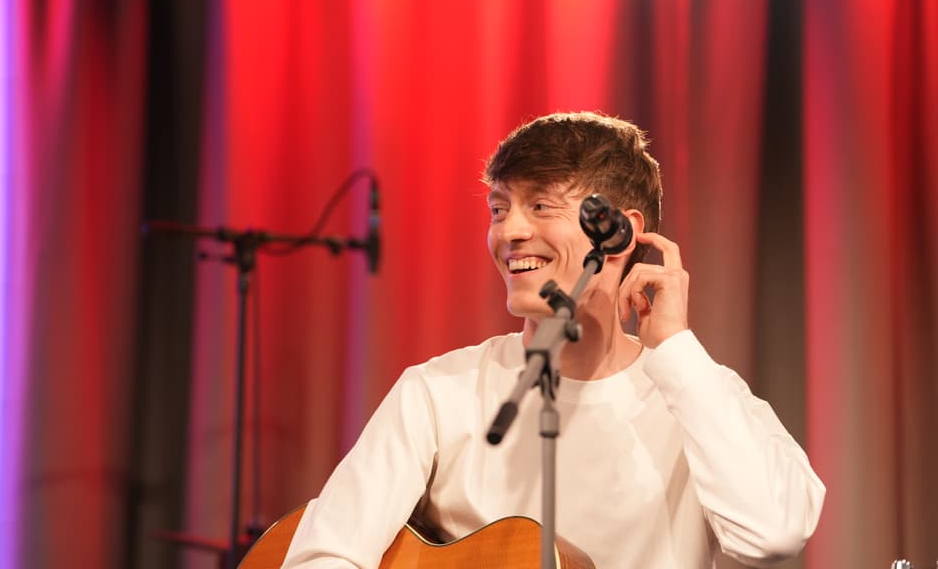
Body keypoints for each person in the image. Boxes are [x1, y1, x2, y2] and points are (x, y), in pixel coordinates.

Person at [281, 112, 825, 568]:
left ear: (618, 231)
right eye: (500, 208)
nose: (509, 231)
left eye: (541, 206)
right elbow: (321, 556)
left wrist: (675, 348)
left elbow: (772, 535)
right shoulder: (438, 392)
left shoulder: (699, 396)